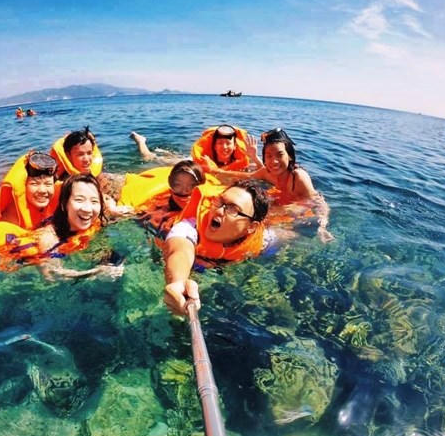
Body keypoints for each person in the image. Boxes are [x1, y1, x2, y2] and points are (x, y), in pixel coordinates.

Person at [163, 180, 295, 315]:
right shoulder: (188, 227)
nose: (219, 211)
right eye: (220, 202)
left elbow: (289, 237)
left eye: (233, 209)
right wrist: (178, 282)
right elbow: (180, 251)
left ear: (251, 227)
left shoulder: (264, 240)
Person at [0, 174, 122, 279]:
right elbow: (53, 276)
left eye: (94, 201)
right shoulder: (48, 239)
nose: (88, 209)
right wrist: (96, 272)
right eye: (79, 200)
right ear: (64, 204)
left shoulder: (96, 219)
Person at [212, 128, 334, 243]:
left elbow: (318, 202)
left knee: (269, 232)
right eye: (269, 156)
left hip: (300, 214)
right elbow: (245, 176)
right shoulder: (267, 172)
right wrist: (215, 172)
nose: (274, 161)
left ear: (289, 155)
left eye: (280, 155)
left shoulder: (298, 176)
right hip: (278, 208)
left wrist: (322, 226)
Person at [117, 160, 210, 241]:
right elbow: (134, 213)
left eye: (191, 186)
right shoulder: (160, 203)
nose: (184, 191)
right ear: (170, 182)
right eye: (177, 185)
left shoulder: (207, 210)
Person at [0, 151, 60, 231]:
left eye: (48, 184)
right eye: (34, 184)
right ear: (24, 186)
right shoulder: (12, 216)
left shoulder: (61, 199)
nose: (42, 190)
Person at [191, 125, 262, 173]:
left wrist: (254, 157)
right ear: (214, 146)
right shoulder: (204, 163)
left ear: (235, 146)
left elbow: (264, 172)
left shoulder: (242, 164)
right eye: (220, 143)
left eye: (228, 143)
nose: (224, 147)